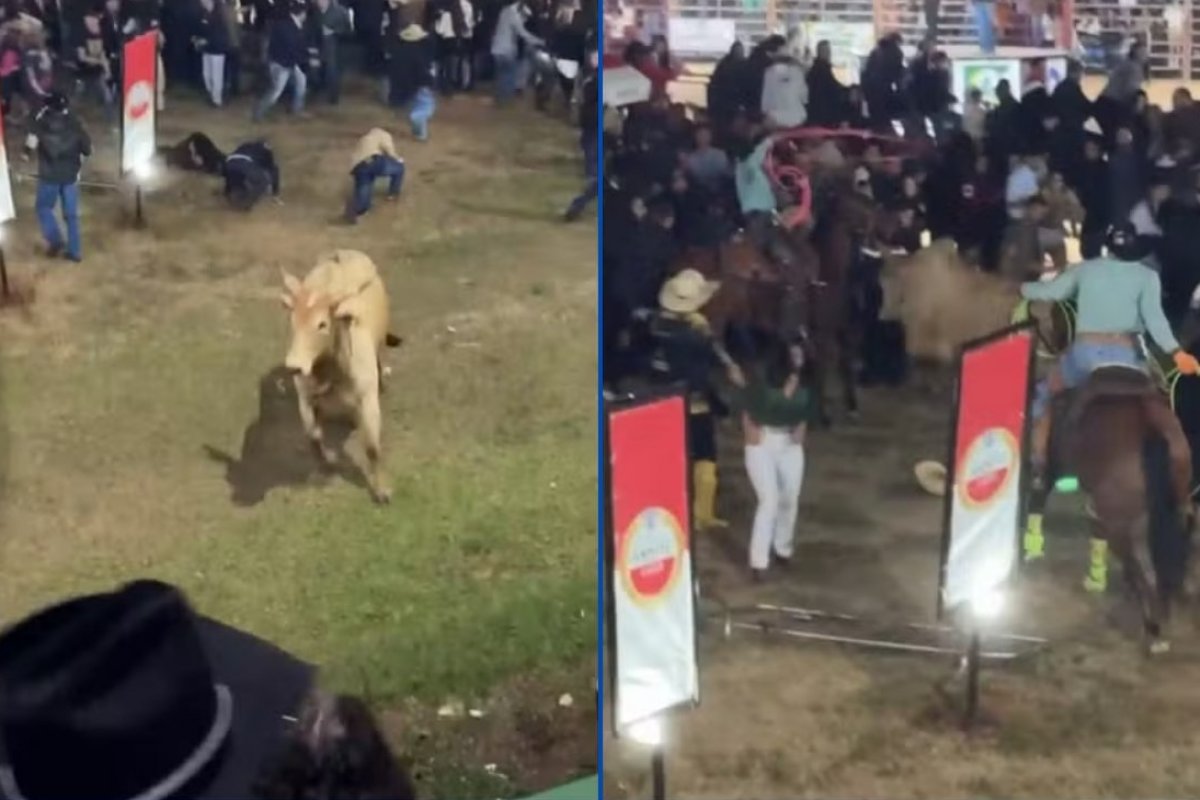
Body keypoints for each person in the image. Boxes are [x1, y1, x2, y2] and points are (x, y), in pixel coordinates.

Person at [1021, 222, 1200, 501]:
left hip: (1085, 354)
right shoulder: (1147, 276)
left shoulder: (1086, 269)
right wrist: (1178, 353)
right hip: (1129, 355)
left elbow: (1050, 293)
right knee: (1162, 394)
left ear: (1107, 245)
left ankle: (1037, 462)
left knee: (1043, 396)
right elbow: (1156, 322)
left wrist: (1021, 288)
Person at [726, 336, 812, 581]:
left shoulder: (805, 386)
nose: (798, 360)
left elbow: (803, 417)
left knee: (790, 497)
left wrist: (800, 426)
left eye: (801, 355)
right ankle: (758, 562)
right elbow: (749, 402)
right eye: (794, 355)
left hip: (788, 444)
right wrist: (749, 426)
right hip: (762, 443)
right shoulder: (764, 381)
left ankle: (783, 548)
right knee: (769, 500)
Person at [649, 268, 728, 531]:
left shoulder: (655, 326)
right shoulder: (696, 336)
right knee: (705, 457)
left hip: (660, 401)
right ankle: (701, 514)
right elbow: (702, 374)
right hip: (693, 404)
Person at [24, 91, 89, 262]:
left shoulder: (40, 123)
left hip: (49, 176)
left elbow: (30, 145)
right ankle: (75, 253)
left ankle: (55, 240)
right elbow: (87, 149)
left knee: (43, 207)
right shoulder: (75, 123)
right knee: (71, 215)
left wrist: (25, 154)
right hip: (70, 175)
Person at [253, 1, 308, 121]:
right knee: (276, 91)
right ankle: (258, 113)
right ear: (301, 14)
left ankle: (297, 109)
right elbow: (292, 47)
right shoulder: (289, 26)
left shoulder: (289, 23)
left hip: (287, 61)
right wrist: (304, 59)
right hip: (281, 63)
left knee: (301, 83)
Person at [344, 128, 406, 223]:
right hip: (373, 160)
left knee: (364, 188)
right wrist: (399, 159)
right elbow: (390, 151)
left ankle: (357, 209)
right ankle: (393, 194)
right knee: (399, 168)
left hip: (357, 166)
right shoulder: (384, 134)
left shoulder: (364, 138)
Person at [490, 0, 541, 104]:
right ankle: (505, 102)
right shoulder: (513, 15)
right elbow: (523, 33)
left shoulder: (504, 11)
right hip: (507, 50)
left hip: (496, 49)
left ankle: (499, 100)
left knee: (500, 76)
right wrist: (539, 41)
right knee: (509, 77)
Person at [310, 0, 351, 104]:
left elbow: (348, 31)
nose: (319, 2)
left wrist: (333, 31)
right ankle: (317, 92)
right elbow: (310, 29)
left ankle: (333, 99)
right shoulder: (313, 11)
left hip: (334, 49)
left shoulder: (341, 11)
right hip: (317, 47)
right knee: (314, 71)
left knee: (332, 74)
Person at [224, 139, 280, 210]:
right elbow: (273, 169)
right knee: (262, 182)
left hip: (228, 162)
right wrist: (275, 193)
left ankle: (228, 198)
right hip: (245, 164)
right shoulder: (266, 149)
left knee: (235, 179)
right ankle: (247, 205)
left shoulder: (246, 145)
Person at [195, 0, 230, 106]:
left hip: (217, 49)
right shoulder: (205, 13)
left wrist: (207, 40)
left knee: (216, 75)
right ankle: (211, 95)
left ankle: (217, 100)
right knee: (207, 74)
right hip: (207, 49)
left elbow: (220, 33)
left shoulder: (219, 14)